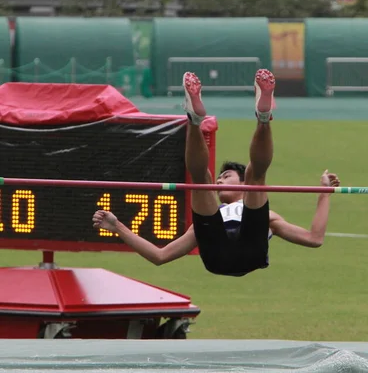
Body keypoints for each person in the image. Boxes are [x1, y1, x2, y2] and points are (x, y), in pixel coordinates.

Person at [92, 69, 341, 277]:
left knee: (242, 179)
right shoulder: (257, 217)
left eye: (228, 176)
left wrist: (325, 194)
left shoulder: (266, 215)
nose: (222, 179)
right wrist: (118, 227)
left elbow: (314, 238)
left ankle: (241, 118)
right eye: (222, 177)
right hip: (224, 253)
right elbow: (160, 256)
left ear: (239, 181)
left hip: (234, 254)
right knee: (205, 181)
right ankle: (223, 118)